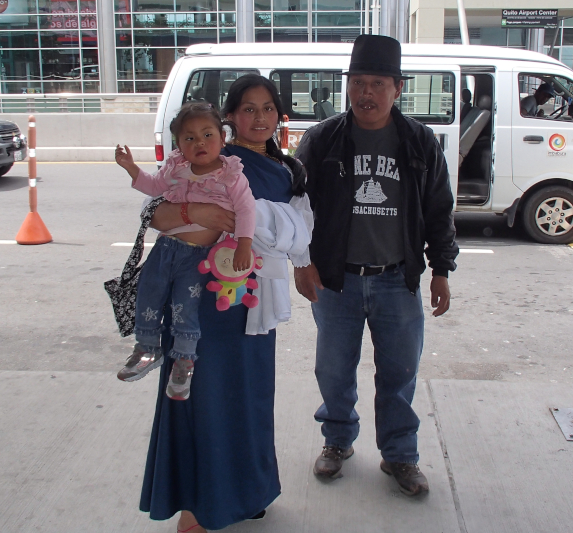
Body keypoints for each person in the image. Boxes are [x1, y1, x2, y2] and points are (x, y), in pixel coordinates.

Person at [138, 74, 311, 533]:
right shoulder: (213, 159)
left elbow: (300, 234)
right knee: (199, 396)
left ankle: (249, 492)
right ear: (230, 117)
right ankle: (195, 501)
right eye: (249, 109)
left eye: (268, 108)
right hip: (201, 299)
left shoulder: (288, 170)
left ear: (279, 115)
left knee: (250, 396)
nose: (260, 118)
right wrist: (201, 214)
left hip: (252, 300)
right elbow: (153, 211)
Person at [294, 35, 459, 497]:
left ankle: (400, 455)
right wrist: (301, 262)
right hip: (335, 281)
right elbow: (296, 206)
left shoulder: (419, 142)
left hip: (396, 281)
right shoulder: (323, 139)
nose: (366, 93)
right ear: (348, 86)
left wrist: (441, 268)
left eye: (377, 84)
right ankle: (337, 441)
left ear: (397, 88)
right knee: (333, 370)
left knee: (400, 372)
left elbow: (439, 209)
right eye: (358, 83)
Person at [115, 102, 256, 401]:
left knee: (184, 306)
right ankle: (146, 349)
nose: (199, 143)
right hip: (165, 248)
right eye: (189, 138)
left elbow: (246, 210)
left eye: (207, 134)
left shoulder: (231, 175)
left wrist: (244, 243)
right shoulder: (176, 167)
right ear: (179, 144)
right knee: (148, 293)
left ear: (222, 137)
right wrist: (131, 168)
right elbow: (154, 188)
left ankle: (184, 361)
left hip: (198, 256)